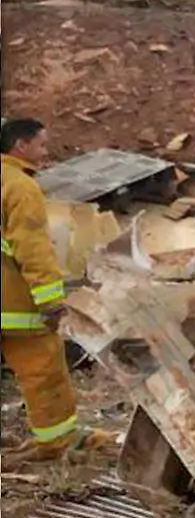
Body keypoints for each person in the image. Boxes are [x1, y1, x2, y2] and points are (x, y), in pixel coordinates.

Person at [3, 119, 109, 461]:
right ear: (21, 145)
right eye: (41, 145)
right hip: (14, 304)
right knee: (43, 370)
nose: (45, 152)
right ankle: (56, 442)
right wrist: (50, 302)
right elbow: (32, 247)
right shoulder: (19, 186)